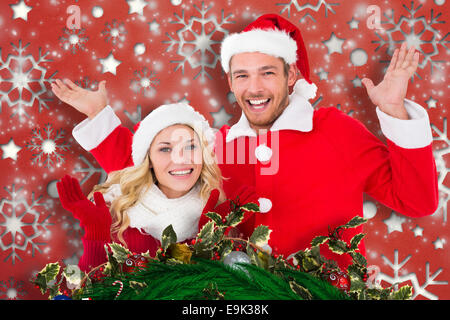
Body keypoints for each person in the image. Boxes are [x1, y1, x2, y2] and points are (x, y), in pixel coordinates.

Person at [52, 14, 438, 269]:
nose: (253, 87)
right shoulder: (215, 144)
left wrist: (395, 113)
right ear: (231, 82)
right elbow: (153, 163)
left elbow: (417, 201)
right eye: (241, 75)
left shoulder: (336, 131)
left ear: (291, 77)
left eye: (267, 72)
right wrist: (99, 117)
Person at [56, 103, 257, 272]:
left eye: (190, 147)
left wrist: (210, 240)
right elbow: (90, 292)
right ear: (148, 158)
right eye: (165, 149)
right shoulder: (118, 213)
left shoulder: (219, 212)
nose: (180, 159)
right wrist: (96, 233)